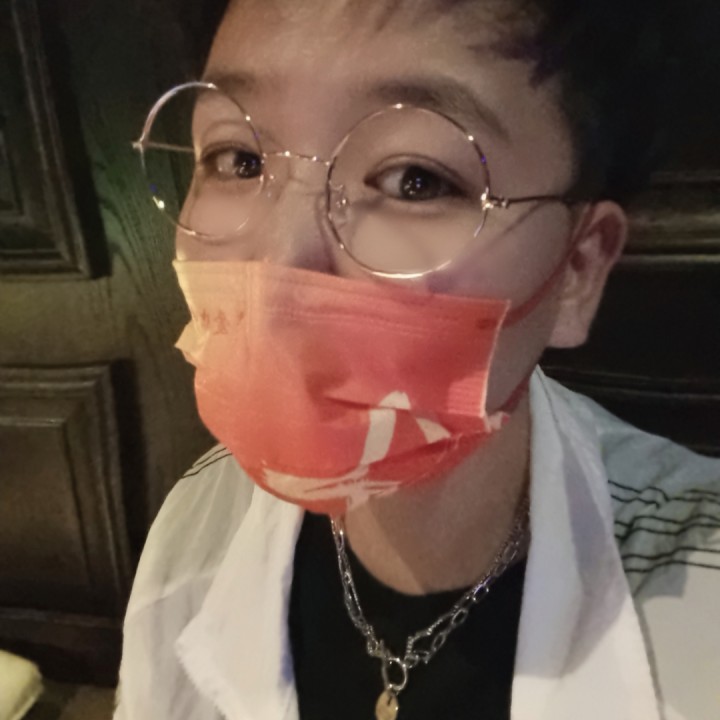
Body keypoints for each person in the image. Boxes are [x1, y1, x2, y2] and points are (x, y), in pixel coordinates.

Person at [116, 1, 720, 718]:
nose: (276, 272)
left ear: (577, 269)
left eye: (415, 180)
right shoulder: (193, 526)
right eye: (238, 160)